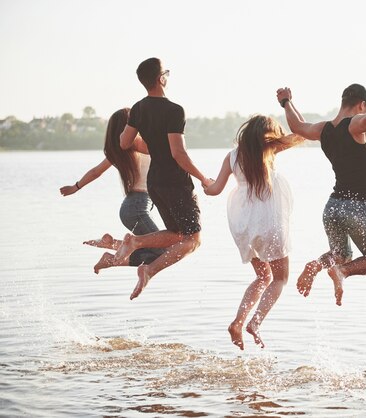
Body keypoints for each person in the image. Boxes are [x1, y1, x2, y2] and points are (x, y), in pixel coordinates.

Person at [276, 67, 366, 306]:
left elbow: (298, 126)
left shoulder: (323, 130)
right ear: (361, 105)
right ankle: (341, 273)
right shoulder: (356, 125)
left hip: (333, 207)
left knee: (341, 255)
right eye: (365, 109)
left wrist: (286, 102)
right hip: (356, 207)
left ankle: (317, 265)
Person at [112, 57, 212, 300]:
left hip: (154, 182)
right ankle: (145, 261)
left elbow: (124, 142)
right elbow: (179, 153)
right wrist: (203, 178)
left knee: (177, 234)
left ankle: (138, 247)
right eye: (166, 72)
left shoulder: (137, 108)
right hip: (175, 181)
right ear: (161, 78)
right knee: (193, 240)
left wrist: (152, 145)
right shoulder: (174, 110)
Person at [203, 115, 304, 350]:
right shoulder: (269, 148)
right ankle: (255, 323)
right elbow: (302, 134)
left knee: (263, 277)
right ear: (268, 135)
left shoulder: (232, 156)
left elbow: (215, 190)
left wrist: (205, 184)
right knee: (280, 278)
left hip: (244, 223)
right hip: (269, 220)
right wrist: (289, 105)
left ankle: (238, 322)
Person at [59, 108, 163, 273]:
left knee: (156, 249)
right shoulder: (143, 144)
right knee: (163, 251)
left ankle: (112, 244)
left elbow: (96, 172)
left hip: (131, 207)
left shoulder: (120, 151)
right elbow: (163, 145)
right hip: (138, 207)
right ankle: (111, 260)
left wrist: (76, 187)